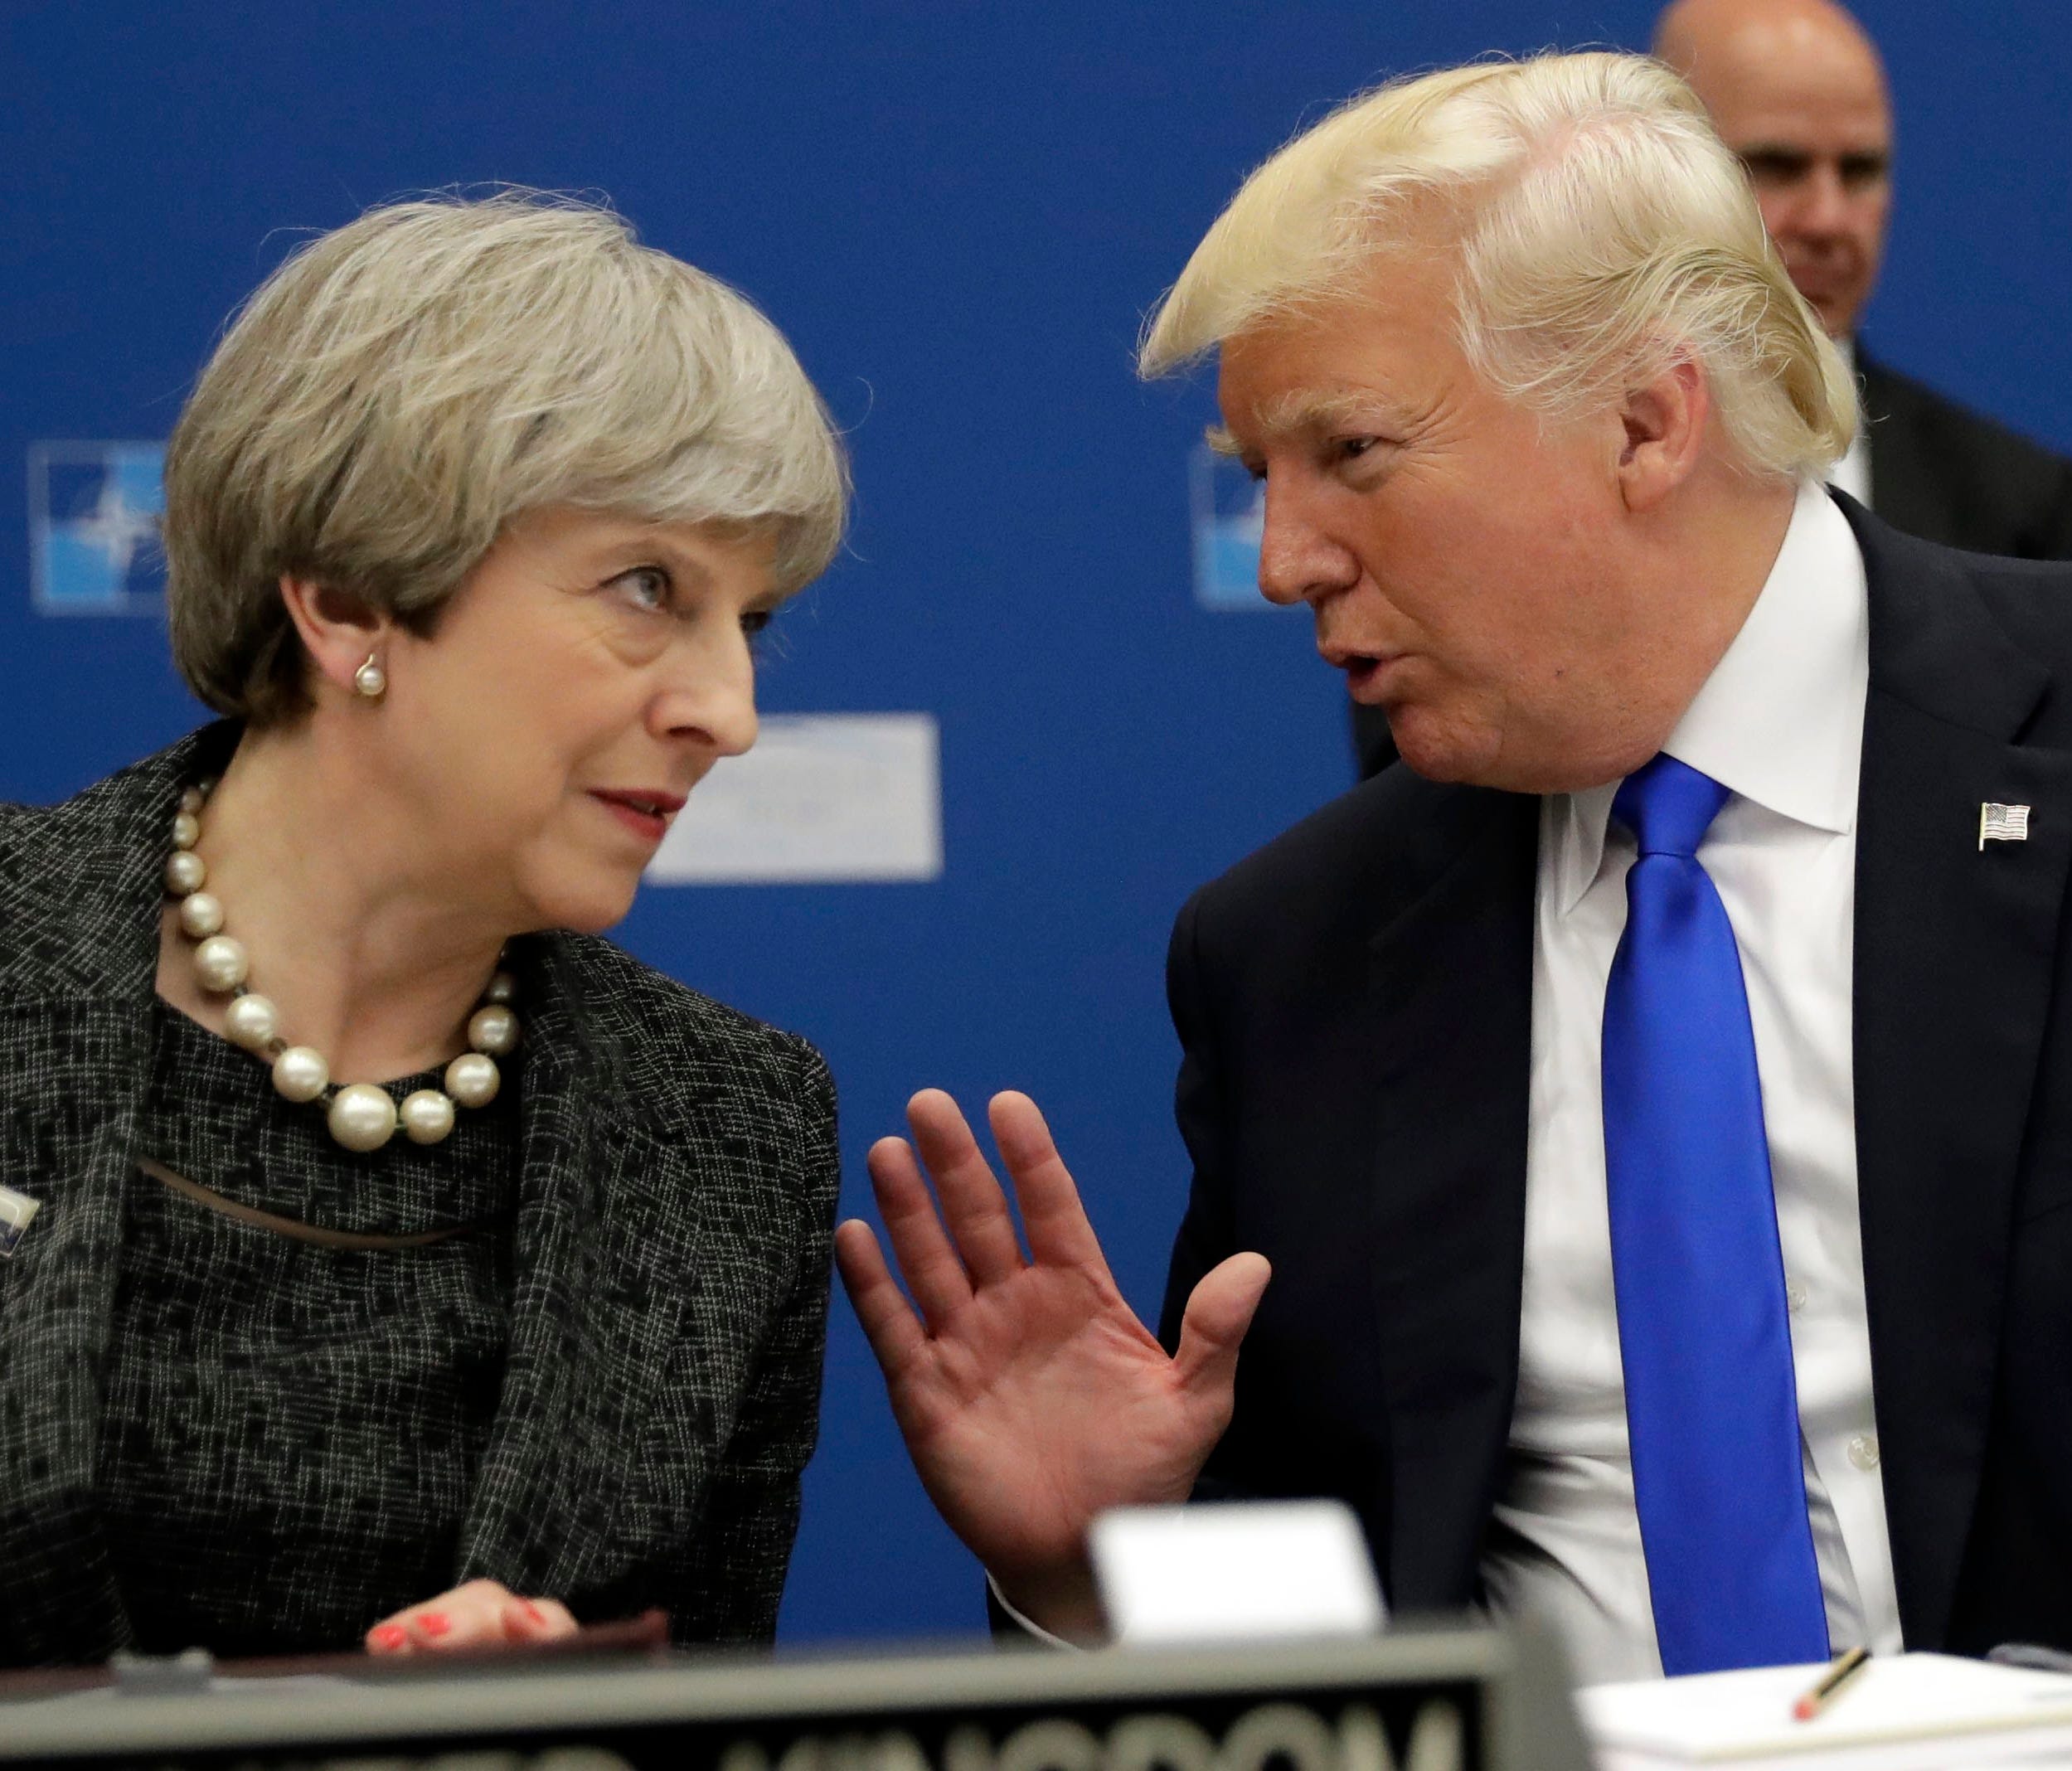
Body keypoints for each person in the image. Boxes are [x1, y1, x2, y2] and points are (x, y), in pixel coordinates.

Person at [838, 53, 2072, 1681]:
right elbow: (1315, 1647)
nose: (1283, 561)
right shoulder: (1294, 955)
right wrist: (1090, 1581)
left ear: (1642, 421)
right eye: (1253, 477)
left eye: (1348, 453)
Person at [0, 192, 847, 1667]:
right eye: (649, 588)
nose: (730, 712)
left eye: (748, 622)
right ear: (349, 602)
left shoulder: (732, 1137)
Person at [1352, 0, 2072, 780]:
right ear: (1663, 170)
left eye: (1859, 171)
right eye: (1776, 165)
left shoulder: (2021, 509)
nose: (1829, 217)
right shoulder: (1490, 486)